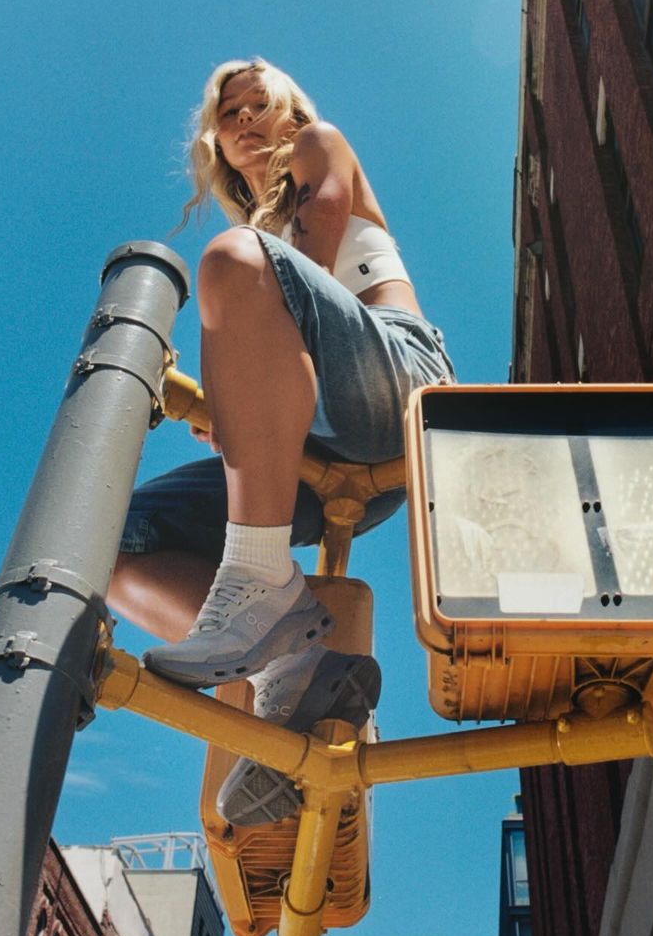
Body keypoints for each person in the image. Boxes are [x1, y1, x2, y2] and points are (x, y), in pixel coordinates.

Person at [107, 57, 454, 825]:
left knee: (234, 262)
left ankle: (259, 578)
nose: (245, 121)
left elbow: (320, 232)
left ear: (289, 107)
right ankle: (294, 669)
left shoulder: (318, 148)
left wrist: (239, 380)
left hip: (394, 386)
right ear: (218, 149)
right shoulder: (251, 247)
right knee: (113, 541)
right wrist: (242, 393)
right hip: (315, 449)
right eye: (229, 118)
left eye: (258, 103)